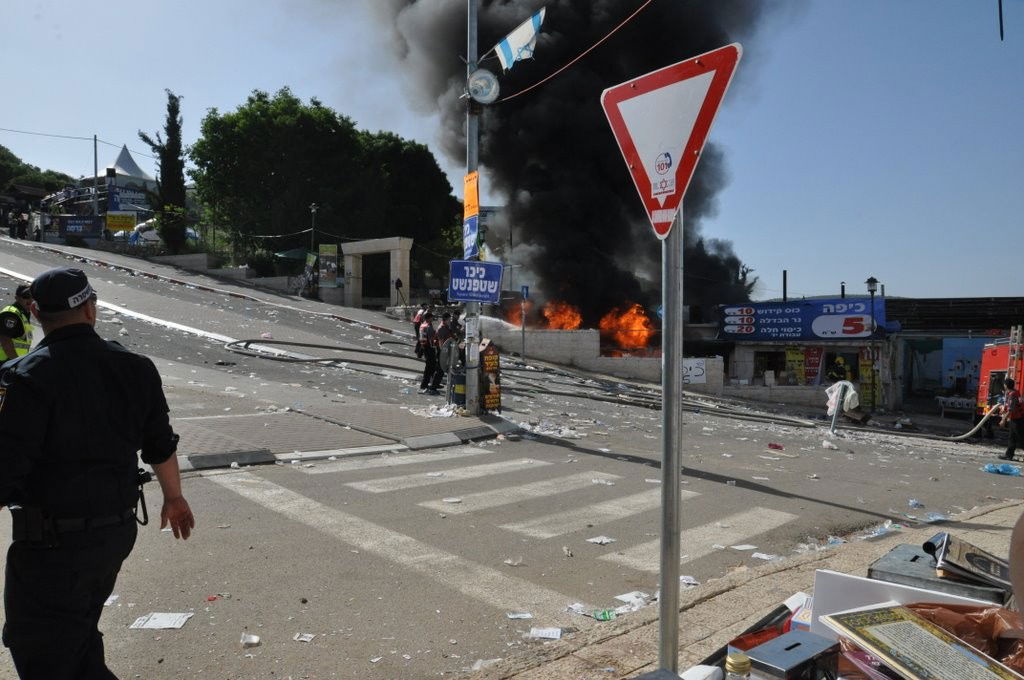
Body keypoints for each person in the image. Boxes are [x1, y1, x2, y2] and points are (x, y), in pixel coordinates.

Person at [0, 267, 195, 679]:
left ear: (35, 312)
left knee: (40, 647)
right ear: (91, 309)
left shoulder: (23, 378)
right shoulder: (136, 367)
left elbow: (6, 469)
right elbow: (160, 445)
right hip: (114, 533)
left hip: (51, 545)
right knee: (77, 636)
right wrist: (174, 498)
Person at [0, 285, 33, 361]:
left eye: (33, 296)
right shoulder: (11, 314)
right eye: (26, 296)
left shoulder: (23, 313)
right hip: (4, 361)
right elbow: (6, 341)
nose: (30, 299)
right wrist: (15, 363)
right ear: (17, 298)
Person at [999, 378, 1024, 461]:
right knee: (1012, 437)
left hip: (1017, 419)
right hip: (1016, 418)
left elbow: (1011, 409)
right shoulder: (1016, 392)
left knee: (1020, 438)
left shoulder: (1012, 394)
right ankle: (1009, 455)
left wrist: (1003, 420)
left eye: (1004, 384)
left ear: (1006, 385)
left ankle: (1009, 455)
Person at [418, 311, 441, 395]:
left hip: (424, 347)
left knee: (431, 367)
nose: (433, 319)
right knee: (429, 368)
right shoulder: (428, 326)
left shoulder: (422, 325)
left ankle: (431, 384)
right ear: (429, 318)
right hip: (429, 348)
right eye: (432, 318)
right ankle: (424, 386)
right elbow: (432, 339)